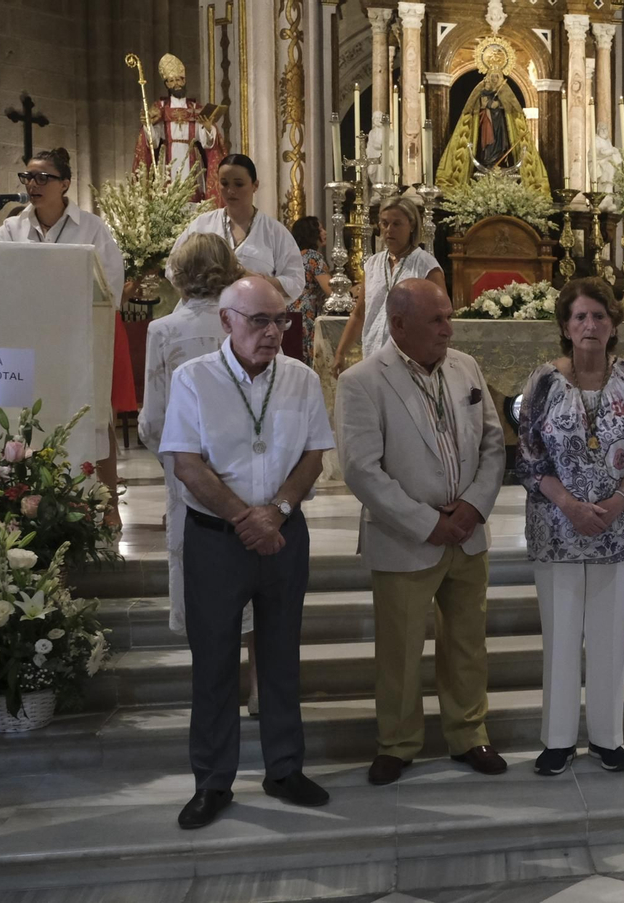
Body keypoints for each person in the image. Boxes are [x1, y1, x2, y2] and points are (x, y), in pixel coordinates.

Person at [160, 276, 334, 829]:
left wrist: (277, 511)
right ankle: (212, 781)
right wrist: (243, 517)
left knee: (281, 656)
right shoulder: (194, 379)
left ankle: (284, 768)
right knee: (213, 663)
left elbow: (313, 457)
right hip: (217, 540)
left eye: (280, 320)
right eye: (259, 321)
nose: (272, 332)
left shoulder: (301, 379)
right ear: (226, 321)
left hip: (283, 535)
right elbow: (186, 462)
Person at [339, 278, 508, 785]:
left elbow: (495, 444)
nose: (448, 329)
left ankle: (469, 733)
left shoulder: (466, 368)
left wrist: (473, 507)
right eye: (436, 320)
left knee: (467, 645)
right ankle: (397, 742)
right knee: (401, 651)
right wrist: (429, 522)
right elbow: (362, 470)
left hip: (467, 533)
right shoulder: (363, 381)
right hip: (406, 538)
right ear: (398, 325)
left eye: (448, 317)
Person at [517, 278, 624, 775]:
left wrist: (618, 501)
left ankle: (606, 737)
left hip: (619, 531)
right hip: (557, 528)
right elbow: (530, 460)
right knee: (559, 634)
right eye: (579, 317)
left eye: (599, 316)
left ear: (614, 324)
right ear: (564, 327)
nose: (590, 325)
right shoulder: (543, 382)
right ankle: (557, 740)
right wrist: (572, 506)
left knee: (610, 634)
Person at [138, 233, 263, 710]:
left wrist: (175, 465)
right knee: (255, 575)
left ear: (179, 273)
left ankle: (218, 692)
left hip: (191, 477)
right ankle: (260, 692)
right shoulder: (248, 322)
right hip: (252, 471)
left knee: (205, 583)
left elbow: (152, 421)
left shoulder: (164, 331)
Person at [0, 147, 133, 528]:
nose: (32, 184)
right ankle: (26, 502)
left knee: (96, 420)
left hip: (79, 341)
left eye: (41, 177)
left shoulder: (91, 228)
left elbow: (111, 285)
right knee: (27, 421)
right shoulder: (11, 229)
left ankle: (107, 505)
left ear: (64, 184)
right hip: (29, 341)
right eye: (27, 177)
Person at [331, 198, 447, 374]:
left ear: (412, 225)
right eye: (384, 224)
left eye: (397, 224)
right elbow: (359, 313)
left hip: (413, 359)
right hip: (373, 355)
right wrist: (340, 352)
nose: (389, 230)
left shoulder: (426, 265)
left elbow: (441, 316)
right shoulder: (372, 264)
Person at [168, 154, 305, 302]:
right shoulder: (202, 224)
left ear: (255, 185)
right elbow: (173, 267)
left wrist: (256, 279)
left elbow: (295, 282)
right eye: (224, 183)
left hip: (254, 313)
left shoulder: (274, 232)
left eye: (238, 184)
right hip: (203, 311)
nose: (231, 190)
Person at [133, 52, 223, 203]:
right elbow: (153, 142)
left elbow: (206, 141)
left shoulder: (195, 108)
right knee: (169, 197)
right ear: (167, 84)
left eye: (179, 80)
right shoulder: (160, 108)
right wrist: (148, 125)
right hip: (169, 156)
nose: (176, 84)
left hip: (191, 157)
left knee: (193, 198)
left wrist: (208, 128)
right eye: (172, 80)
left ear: (185, 80)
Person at [290, 216, 332, 365]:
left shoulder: (294, 256)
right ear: (311, 233)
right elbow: (331, 291)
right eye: (320, 229)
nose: (325, 232)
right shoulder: (313, 256)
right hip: (307, 315)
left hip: (292, 312)